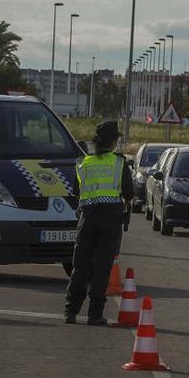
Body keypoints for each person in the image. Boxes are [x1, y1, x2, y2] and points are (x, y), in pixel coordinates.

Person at [64, 121, 133, 325]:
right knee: (103, 267)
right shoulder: (119, 163)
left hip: (88, 218)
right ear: (113, 142)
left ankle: (70, 311)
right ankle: (95, 314)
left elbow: (77, 192)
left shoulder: (83, 163)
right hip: (110, 219)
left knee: (80, 266)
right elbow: (128, 192)